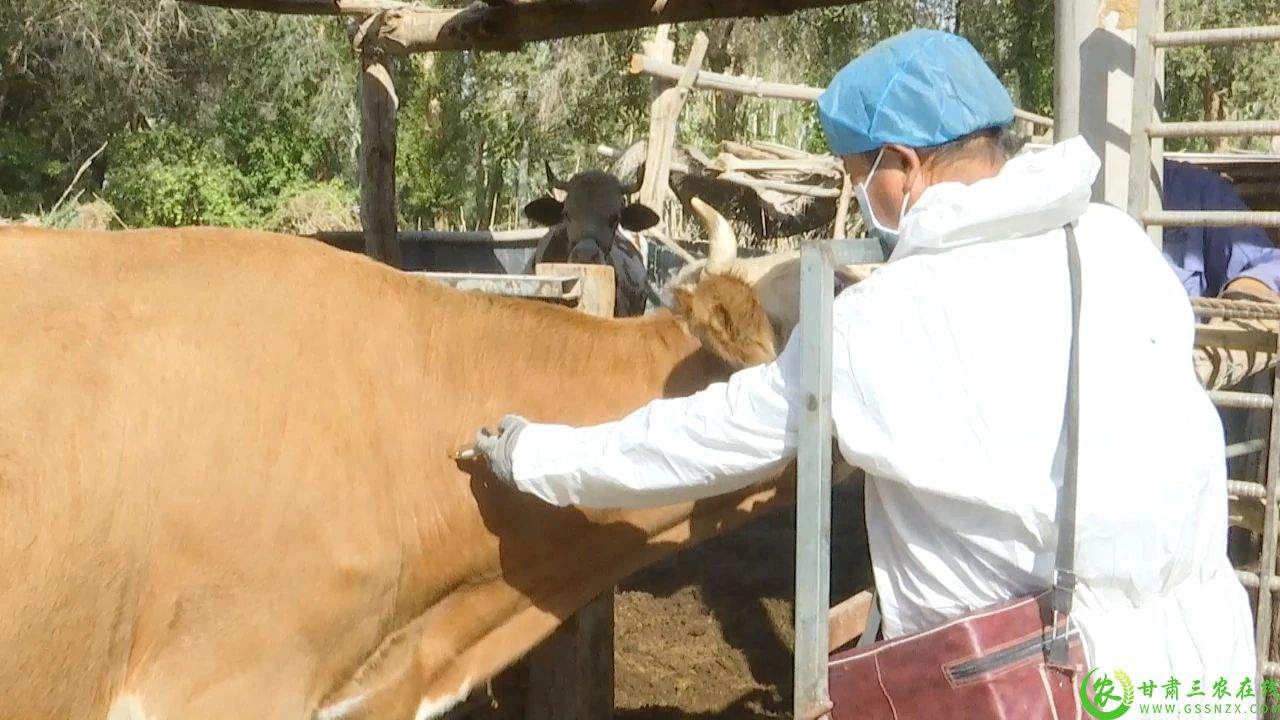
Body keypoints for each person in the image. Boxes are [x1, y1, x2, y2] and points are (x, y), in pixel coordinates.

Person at [471, 28, 1256, 706]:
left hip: (1035, 688)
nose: (856, 192)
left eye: (855, 173)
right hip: (1204, 667)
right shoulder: (1119, 246)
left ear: (904, 165)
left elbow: (709, 437)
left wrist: (541, 456)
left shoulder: (892, 318)